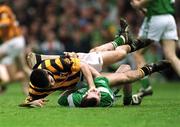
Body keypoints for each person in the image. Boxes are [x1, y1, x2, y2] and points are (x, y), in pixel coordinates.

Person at [58, 60, 170, 107]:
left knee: (123, 68)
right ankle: (150, 69)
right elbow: (97, 75)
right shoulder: (104, 94)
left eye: (94, 93)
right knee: (126, 72)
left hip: (84, 87)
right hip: (111, 91)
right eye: (98, 94)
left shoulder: (75, 100)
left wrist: (85, 87)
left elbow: (60, 99)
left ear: (84, 96)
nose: (97, 93)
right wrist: (92, 86)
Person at [130, 0, 179, 98]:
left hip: (156, 18)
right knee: (171, 56)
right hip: (169, 18)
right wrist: (144, 8)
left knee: (137, 53)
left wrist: (139, 4)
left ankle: (146, 87)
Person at [0, 1, 29, 94]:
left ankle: (2, 84)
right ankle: (42, 81)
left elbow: (5, 23)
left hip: (13, 41)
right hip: (17, 41)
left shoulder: (3, 9)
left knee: (11, 69)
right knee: (23, 67)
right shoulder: (6, 9)